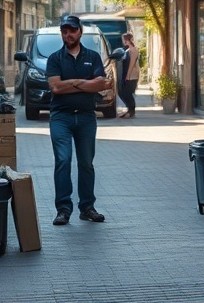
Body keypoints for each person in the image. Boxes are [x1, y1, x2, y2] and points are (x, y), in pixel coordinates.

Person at [46, 14, 112, 225]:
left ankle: (87, 207)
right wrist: (84, 82)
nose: (68, 34)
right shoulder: (55, 58)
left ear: (79, 32)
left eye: (72, 30)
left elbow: (101, 84)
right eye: (64, 31)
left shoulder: (92, 56)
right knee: (63, 161)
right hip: (61, 117)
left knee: (86, 163)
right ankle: (63, 209)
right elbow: (55, 87)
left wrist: (71, 83)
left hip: (86, 117)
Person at [118, 32, 140, 118]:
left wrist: (128, 75)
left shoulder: (133, 50)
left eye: (124, 39)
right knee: (123, 92)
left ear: (128, 40)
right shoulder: (127, 50)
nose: (123, 41)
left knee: (128, 93)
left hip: (132, 75)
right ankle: (129, 109)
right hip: (127, 74)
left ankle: (131, 111)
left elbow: (132, 63)